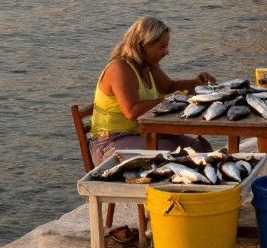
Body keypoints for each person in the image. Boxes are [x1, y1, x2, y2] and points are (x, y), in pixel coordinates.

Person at [88, 16, 218, 163]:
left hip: (142, 133)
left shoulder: (148, 64)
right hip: (110, 143)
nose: (167, 52)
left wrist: (195, 83)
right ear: (143, 45)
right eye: (162, 46)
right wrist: (168, 101)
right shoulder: (120, 68)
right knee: (169, 150)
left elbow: (168, 87)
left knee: (199, 145)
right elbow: (132, 111)